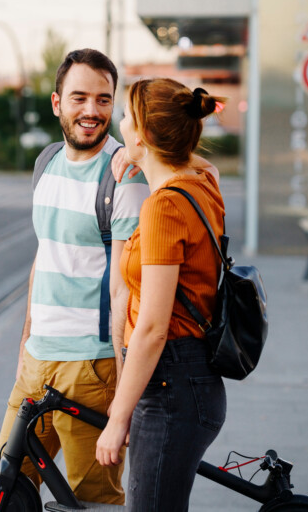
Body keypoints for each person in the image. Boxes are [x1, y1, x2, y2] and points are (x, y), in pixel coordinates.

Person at [0, 49, 149, 505]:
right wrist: (25, 344)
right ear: (58, 103)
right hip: (37, 363)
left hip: (92, 368)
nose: (91, 111)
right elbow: (45, 258)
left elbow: (125, 286)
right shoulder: (46, 164)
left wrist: (122, 385)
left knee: (93, 498)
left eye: (103, 100)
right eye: (79, 98)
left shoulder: (126, 176)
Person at [95, 78, 228, 511]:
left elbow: (152, 327)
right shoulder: (202, 185)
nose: (120, 123)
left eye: (127, 118)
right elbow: (203, 169)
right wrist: (144, 163)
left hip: (171, 383)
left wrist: (118, 417)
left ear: (145, 135)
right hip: (188, 379)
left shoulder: (164, 208)